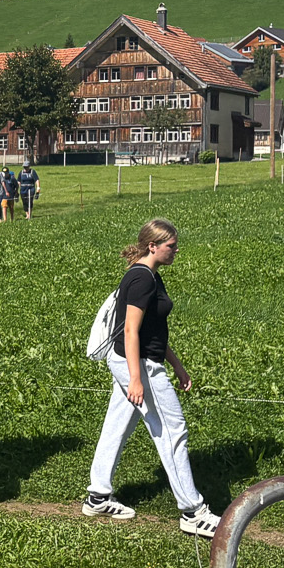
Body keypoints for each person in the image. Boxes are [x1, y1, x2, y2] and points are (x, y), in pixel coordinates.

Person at [83, 218, 221, 538]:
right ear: (152, 246)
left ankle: (98, 496)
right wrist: (136, 378)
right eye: (171, 246)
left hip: (138, 360)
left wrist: (178, 366)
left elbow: (153, 331)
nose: (176, 250)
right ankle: (192, 512)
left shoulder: (149, 275)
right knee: (172, 430)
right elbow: (130, 331)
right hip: (140, 364)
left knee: (118, 424)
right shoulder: (142, 279)